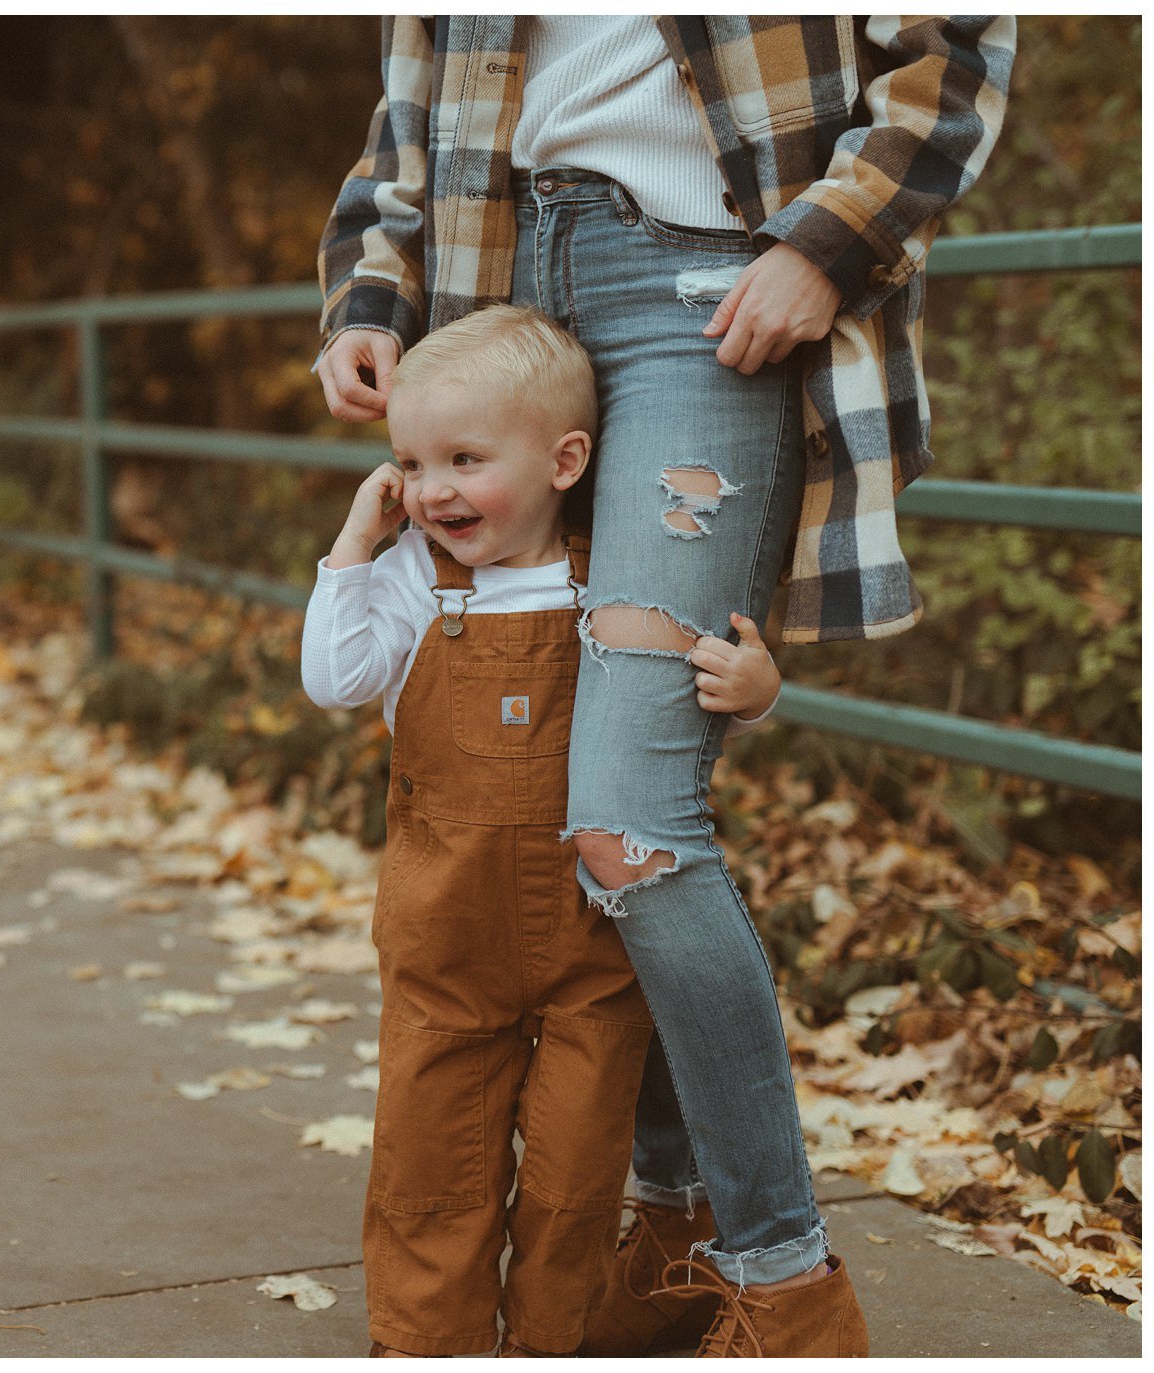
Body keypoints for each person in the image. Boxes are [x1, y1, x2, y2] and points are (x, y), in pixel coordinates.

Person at [316, 16, 1014, 1357]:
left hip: (704, 300)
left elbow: (959, 37)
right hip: (497, 299)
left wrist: (833, 238)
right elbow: (409, 110)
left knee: (626, 823)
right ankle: (679, 1231)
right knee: (565, 803)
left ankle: (784, 1285)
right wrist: (369, 294)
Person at [302, 305, 781, 1357]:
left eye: (464, 458)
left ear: (565, 459)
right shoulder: (411, 579)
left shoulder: (610, 577)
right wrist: (355, 540)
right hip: (445, 936)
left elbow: (687, 699)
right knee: (432, 1163)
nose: (432, 488)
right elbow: (332, 679)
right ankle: (427, 1340)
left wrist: (751, 691)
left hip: (591, 949)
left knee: (573, 1180)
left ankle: (549, 1342)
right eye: (410, 463)